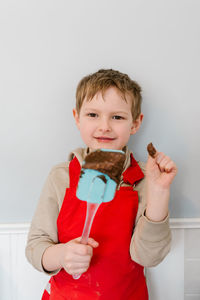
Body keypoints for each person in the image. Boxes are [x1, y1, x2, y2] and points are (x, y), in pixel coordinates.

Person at [25, 69, 177, 299]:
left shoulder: (148, 178)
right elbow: (36, 247)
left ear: (135, 123)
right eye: (93, 115)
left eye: (117, 117)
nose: (104, 126)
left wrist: (159, 192)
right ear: (77, 118)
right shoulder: (60, 176)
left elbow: (148, 258)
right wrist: (62, 254)